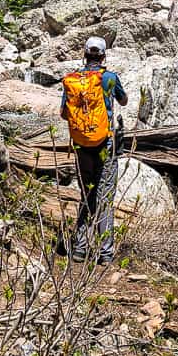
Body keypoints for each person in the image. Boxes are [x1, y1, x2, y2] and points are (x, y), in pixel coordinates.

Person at [61, 36, 128, 264]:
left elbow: (63, 113)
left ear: (85, 54)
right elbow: (124, 100)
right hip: (105, 144)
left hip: (81, 144)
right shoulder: (108, 77)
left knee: (87, 194)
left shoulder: (74, 80)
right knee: (105, 197)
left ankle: (79, 249)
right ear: (103, 55)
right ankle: (106, 253)